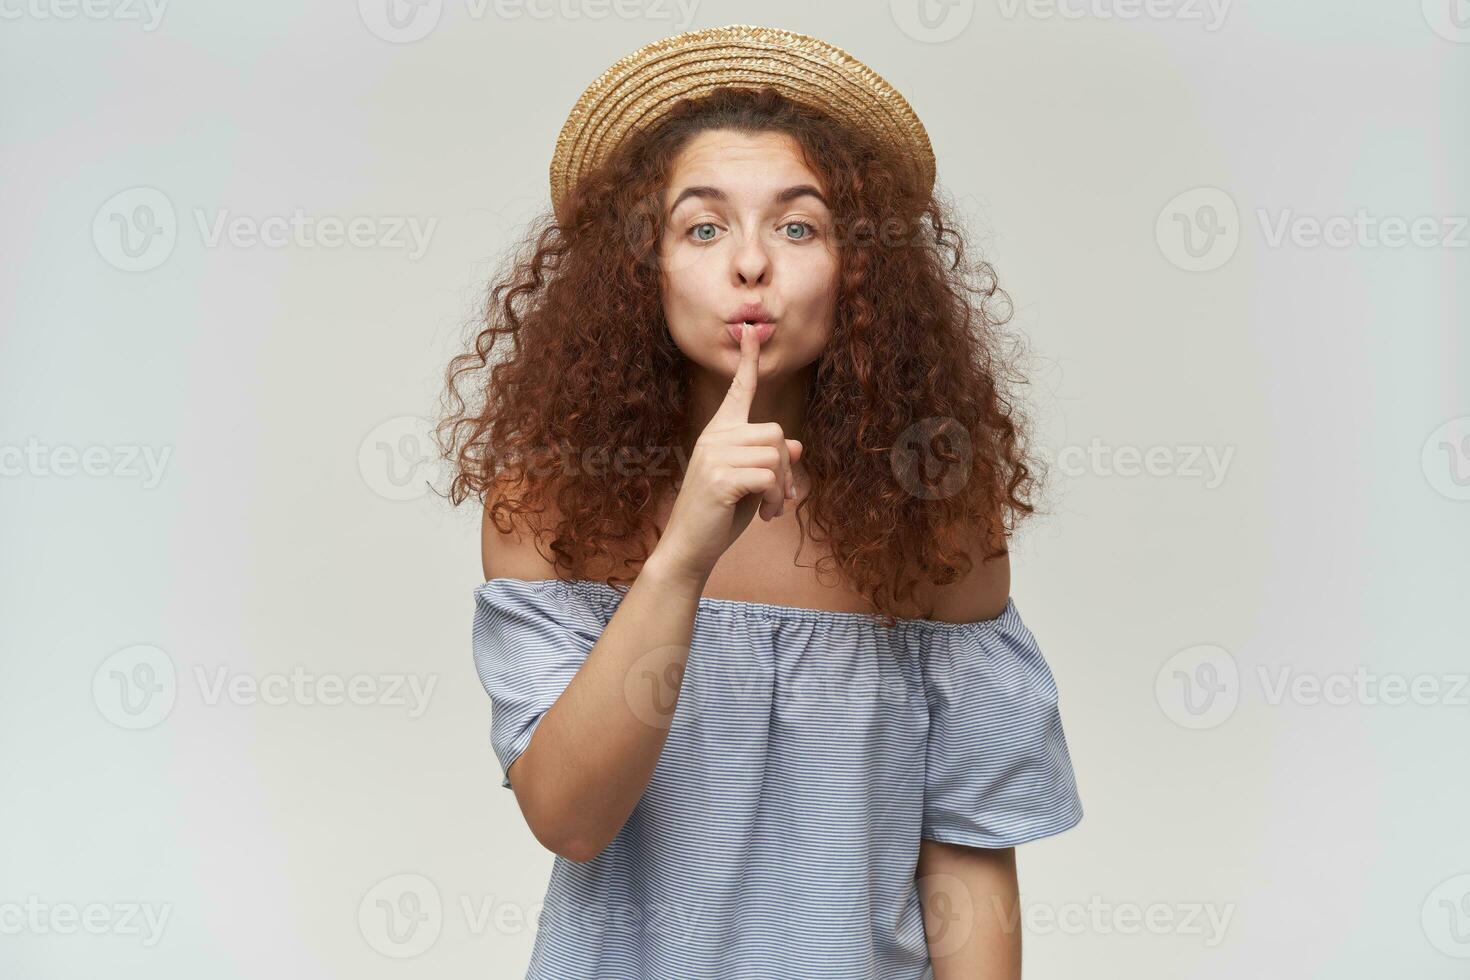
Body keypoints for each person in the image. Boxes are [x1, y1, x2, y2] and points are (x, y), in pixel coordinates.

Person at [435, 24, 1084, 979]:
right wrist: (683, 556)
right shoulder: (547, 505)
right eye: (702, 227)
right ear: (639, 270)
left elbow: (969, 847)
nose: (750, 265)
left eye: (797, 226)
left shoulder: (936, 518)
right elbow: (568, 820)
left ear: (859, 270)